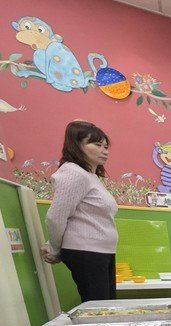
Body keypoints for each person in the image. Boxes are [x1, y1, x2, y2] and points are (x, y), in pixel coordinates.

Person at [41, 121, 118, 302]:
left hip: (100, 252)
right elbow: (56, 216)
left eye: (105, 146)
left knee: (107, 307)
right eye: (97, 145)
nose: (104, 151)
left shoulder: (90, 176)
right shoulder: (73, 173)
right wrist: (54, 248)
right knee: (99, 309)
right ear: (77, 145)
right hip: (87, 251)